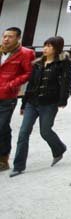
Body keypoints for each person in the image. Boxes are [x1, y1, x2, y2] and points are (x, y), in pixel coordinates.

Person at [10, 36, 71, 176]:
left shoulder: (62, 63)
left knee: (45, 131)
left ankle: (59, 149)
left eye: (49, 46)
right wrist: (24, 103)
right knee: (23, 132)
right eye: (45, 46)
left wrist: (63, 100)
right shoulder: (37, 64)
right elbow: (31, 85)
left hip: (49, 103)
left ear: (57, 48)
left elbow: (65, 82)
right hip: (32, 102)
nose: (45, 49)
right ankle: (18, 166)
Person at [0, 27, 35, 172]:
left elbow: (29, 72)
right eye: (4, 36)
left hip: (8, 95)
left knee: (1, 126)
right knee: (3, 128)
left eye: (10, 37)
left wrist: (11, 84)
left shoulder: (26, 53)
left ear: (18, 38)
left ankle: (3, 159)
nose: (6, 39)